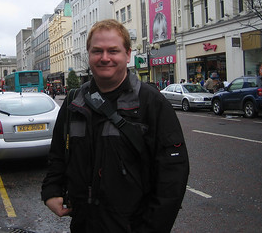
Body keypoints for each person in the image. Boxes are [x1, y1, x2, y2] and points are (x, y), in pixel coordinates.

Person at [41, 19, 189, 233]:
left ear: (128, 55)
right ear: (88, 54)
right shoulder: (74, 101)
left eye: (113, 51)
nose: (104, 58)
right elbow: (58, 154)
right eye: (97, 51)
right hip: (83, 225)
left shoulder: (151, 103)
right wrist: (52, 189)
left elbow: (173, 174)